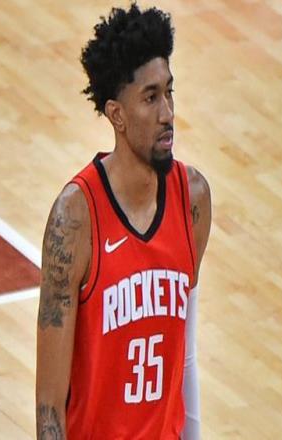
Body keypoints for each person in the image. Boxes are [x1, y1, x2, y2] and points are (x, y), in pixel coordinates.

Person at [36, 3, 211, 439]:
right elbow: (49, 406)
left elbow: (184, 356)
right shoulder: (75, 219)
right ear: (116, 114)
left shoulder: (192, 199)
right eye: (150, 98)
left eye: (169, 92)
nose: (167, 113)